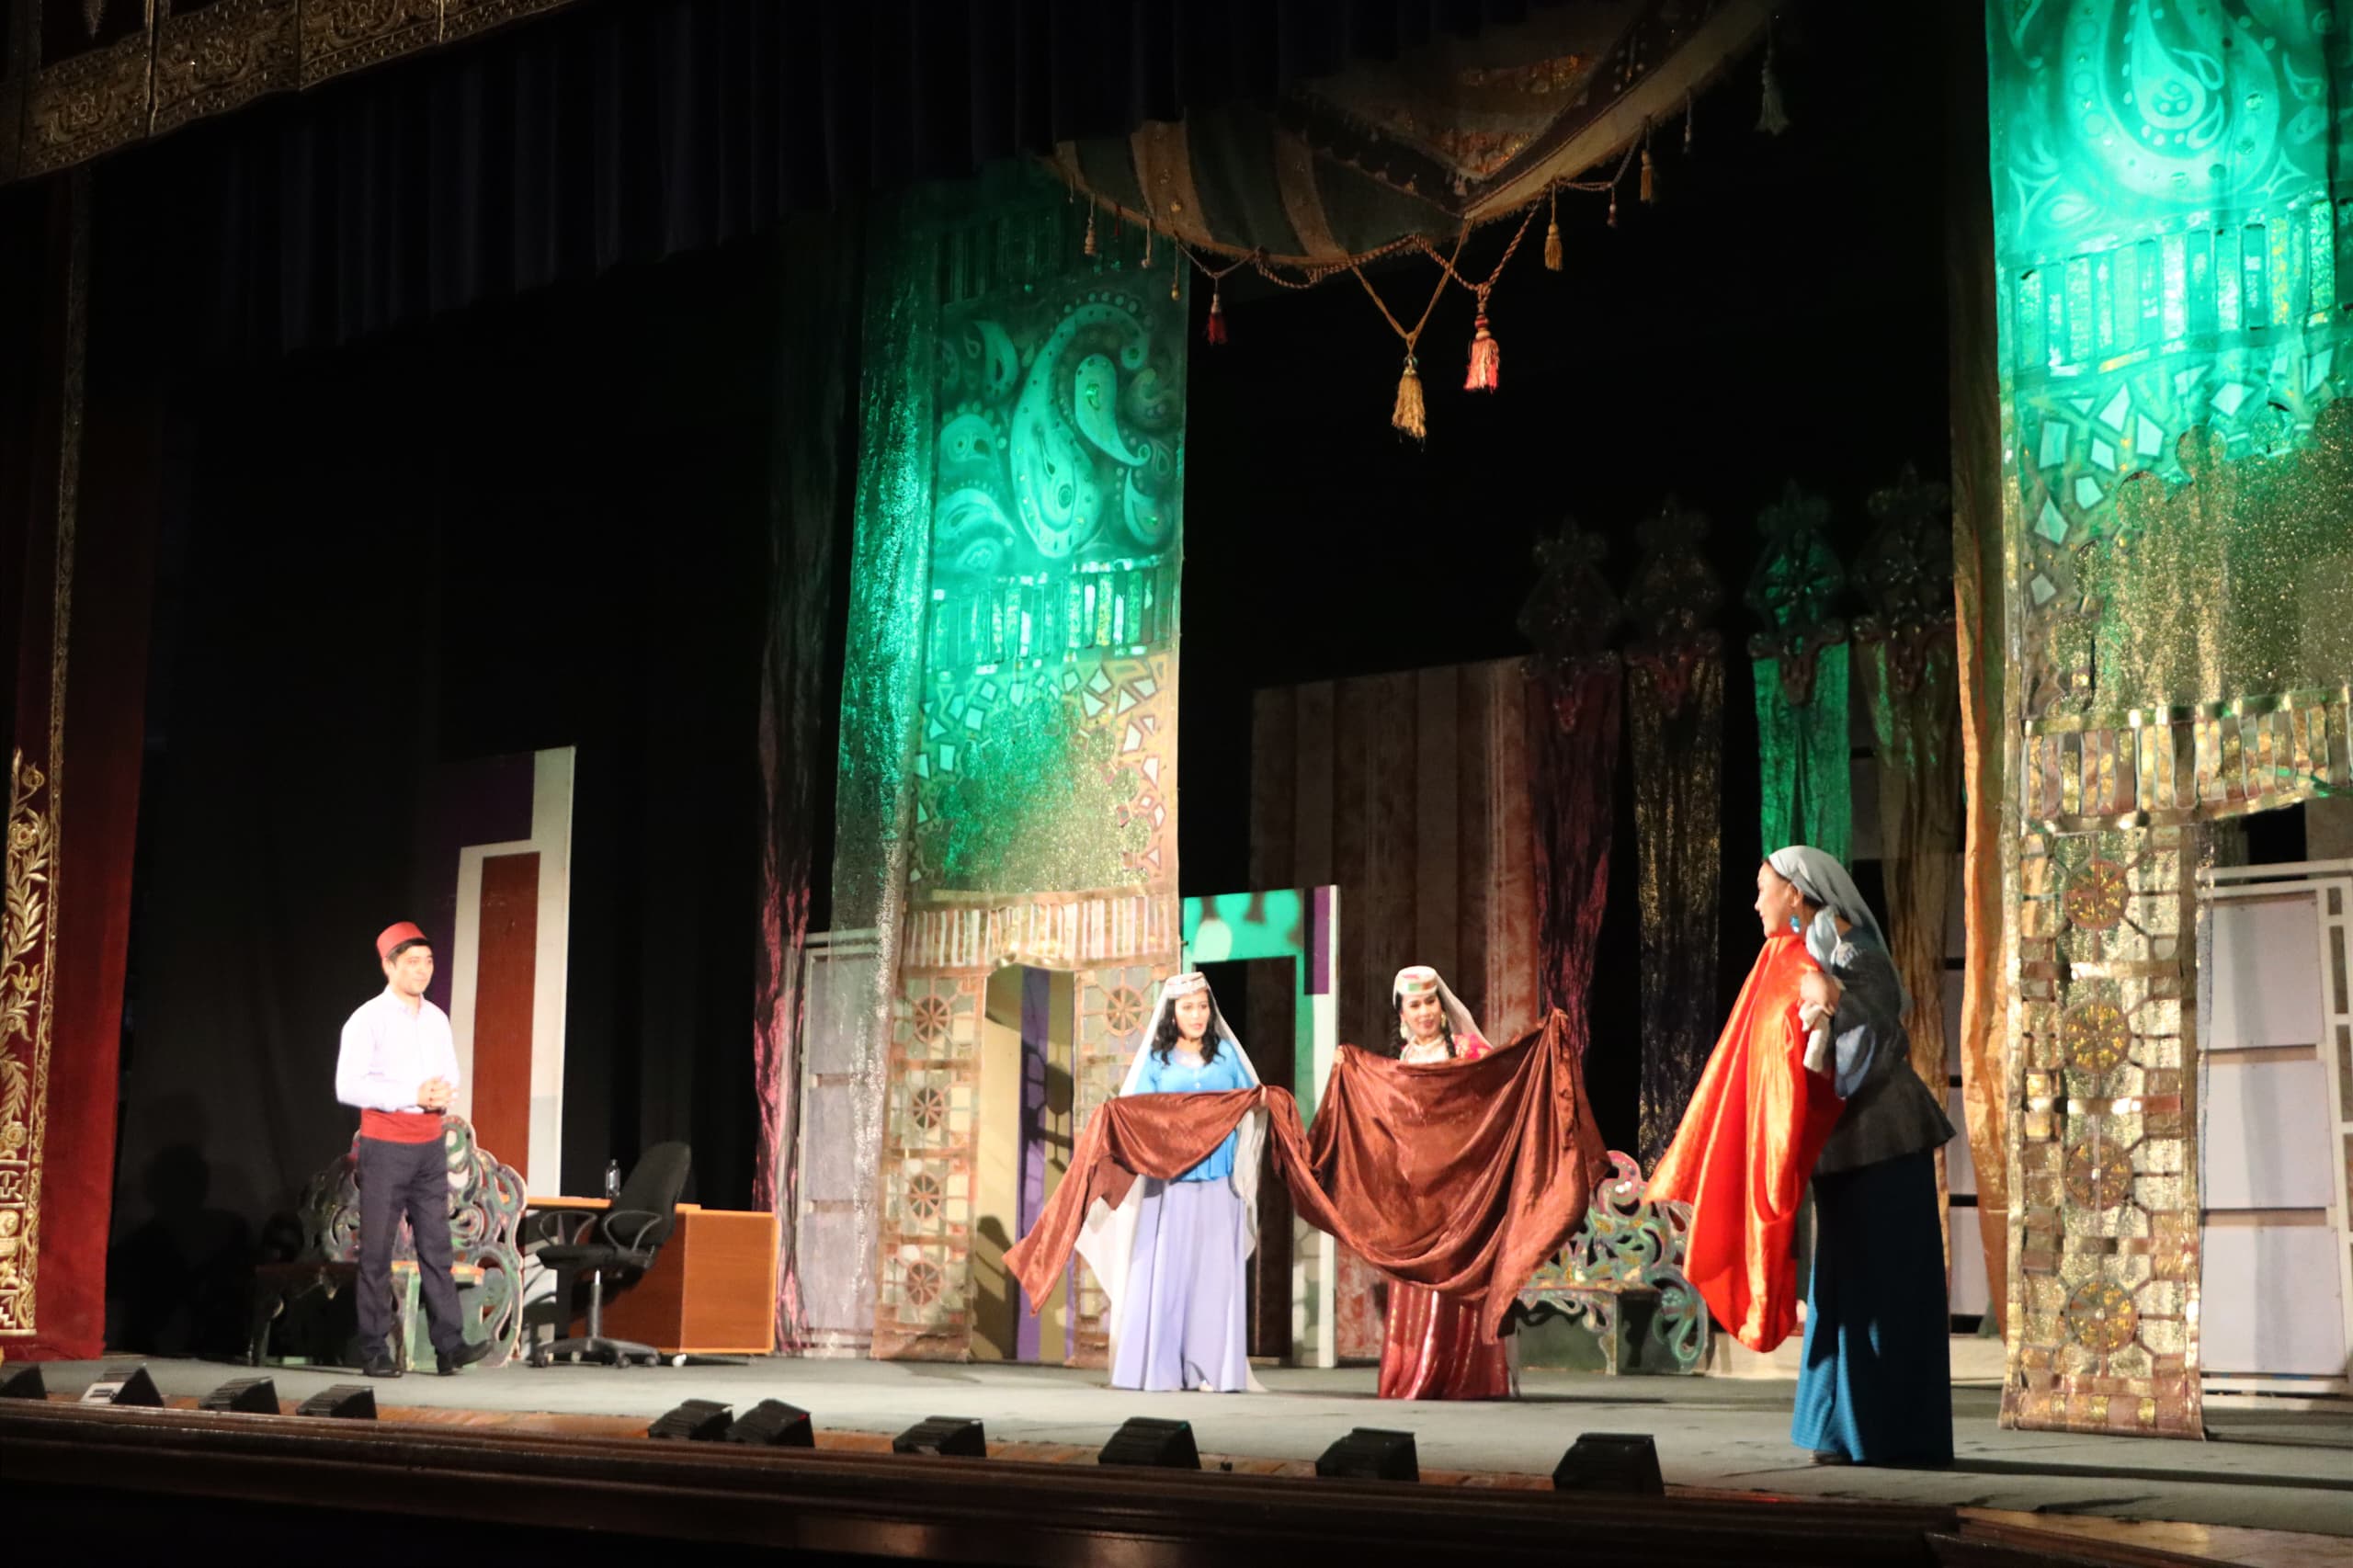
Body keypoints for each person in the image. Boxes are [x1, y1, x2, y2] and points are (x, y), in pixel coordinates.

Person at [1652, 849, 1953, 1466]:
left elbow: (1881, 1016)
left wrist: (1833, 995)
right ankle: (1837, 1432)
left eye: (1764, 888)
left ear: (1796, 892)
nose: (1756, 902)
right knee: (1840, 1286)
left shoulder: (1852, 949)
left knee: (1879, 1288)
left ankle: (1884, 1433)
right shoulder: (1801, 956)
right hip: (1842, 1145)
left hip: (1884, 1140)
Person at [1076, 971, 1264, 1392]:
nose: (1197, 1015)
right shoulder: (1157, 1063)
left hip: (1219, 1180)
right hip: (1170, 1182)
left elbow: (1251, 1101)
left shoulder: (1226, 1058)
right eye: (1188, 1007)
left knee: (1214, 1276)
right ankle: (1158, 1369)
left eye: (1203, 1006)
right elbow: (1137, 1115)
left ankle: (1209, 1369)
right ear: (1172, 1013)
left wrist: (1264, 1101)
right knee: (1166, 1273)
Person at [333, 921, 493, 1379]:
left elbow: (450, 1070)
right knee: (378, 1251)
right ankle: (373, 1348)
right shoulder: (368, 1019)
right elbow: (348, 1085)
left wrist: (443, 1093)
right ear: (389, 966)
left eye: (428, 961)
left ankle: (449, 1345)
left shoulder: (436, 1017)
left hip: (429, 1144)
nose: (423, 970)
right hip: (386, 1144)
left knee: (437, 1246)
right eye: (412, 962)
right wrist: (412, 1094)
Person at [1375, 964, 1514, 1400]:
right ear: (1402, 1014)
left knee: (1460, 1274)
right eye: (1415, 1005)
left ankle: (1467, 1375)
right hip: (1418, 1190)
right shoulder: (1400, 1063)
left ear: (1442, 1004)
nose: (1425, 1012)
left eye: (1430, 1002)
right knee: (1422, 1274)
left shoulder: (1469, 1050)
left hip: (1462, 1188)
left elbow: (1498, 1096)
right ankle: (1419, 1370)